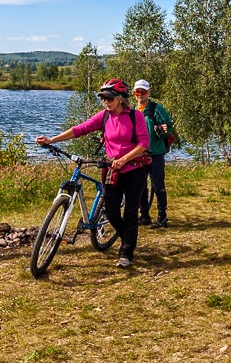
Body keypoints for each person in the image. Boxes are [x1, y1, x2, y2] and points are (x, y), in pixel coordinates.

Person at [36, 79, 150, 269]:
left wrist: (124, 159)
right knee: (112, 212)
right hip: (111, 170)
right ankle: (128, 239)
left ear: (121, 98)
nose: (105, 102)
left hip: (134, 170)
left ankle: (126, 253)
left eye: (109, 98)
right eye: (103, 98)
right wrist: (52, 139)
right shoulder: (104, 116)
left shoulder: (135, 117)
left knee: (130, 212)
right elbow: (80, 129)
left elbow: (143, 144)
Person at [133, 79, 173, 228]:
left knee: (158, 186)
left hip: (155, 153)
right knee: (140, 186)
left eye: (143, 92)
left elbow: (168, 127)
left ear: (149, 93)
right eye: (137, 92)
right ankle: (144, 216)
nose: (140, 95)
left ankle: (162, 217)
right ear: (134, 93)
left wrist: (162, 131)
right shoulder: (132, 111)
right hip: (138, 154)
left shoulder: (157, 109)